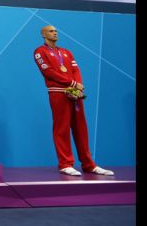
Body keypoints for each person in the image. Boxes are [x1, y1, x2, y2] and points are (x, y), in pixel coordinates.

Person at [33, 25, 114, 176]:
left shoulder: (66, 52)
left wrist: (78, 87)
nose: (55, 33)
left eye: (56, 31)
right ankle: (65, 164)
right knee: (62, 128)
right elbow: (48, 72)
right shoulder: (39, 52)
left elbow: (76, 69)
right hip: (58, 92)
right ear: (43, 34)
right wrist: (71, 84)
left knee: (81, 129)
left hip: (75, 92)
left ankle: (89, 164)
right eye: (51, 31)